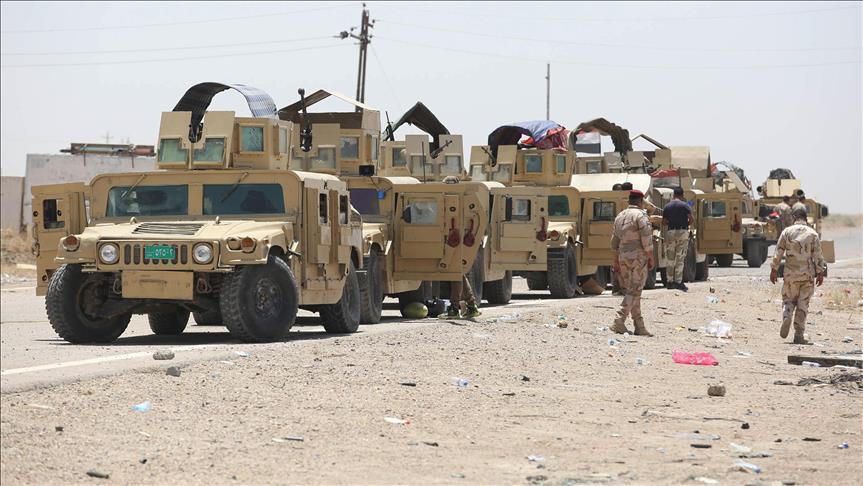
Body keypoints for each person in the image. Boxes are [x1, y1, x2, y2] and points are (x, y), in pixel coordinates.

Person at [770, 206, 827, 344]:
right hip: (807, 275)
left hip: (790, 274)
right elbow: (818, 256)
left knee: (788, 299)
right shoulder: (812, 234)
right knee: (803, 303)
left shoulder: (787, 232)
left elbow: (778, 252)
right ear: (806, 218)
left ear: (794, 217)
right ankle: (799, 335)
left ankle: (787, 316)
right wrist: (820, 272)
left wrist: (774, 269)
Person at [610, 189, 654, 336]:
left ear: (629, 200)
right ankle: (619, 320)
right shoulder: (641, 216)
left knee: (633, 290)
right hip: (638, 258)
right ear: (641, 201)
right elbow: (646, 239)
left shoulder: (620, 216)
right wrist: (651, 257)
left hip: (623, 257)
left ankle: (639, 326)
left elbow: (614, 242)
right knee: (635, 290)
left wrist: (615, 261)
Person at [441, 175, 481, 319]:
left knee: (456, 273)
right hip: (453, 240)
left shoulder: (461, 200)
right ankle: (471, 305)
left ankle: (455, 308)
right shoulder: (464, 199)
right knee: (458, 273)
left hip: (455, 241)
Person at [662, 187, 694, 291]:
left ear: (673, 194)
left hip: (671, 232)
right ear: (682, 195)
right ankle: (678, 282)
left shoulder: (667, 206)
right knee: (680, 258)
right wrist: (686, 224)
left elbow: (664, 222)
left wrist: (671, 222)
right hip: (682, 232)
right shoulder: (685, 205)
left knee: (670, 258)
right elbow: (691, 219)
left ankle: (669, 282)